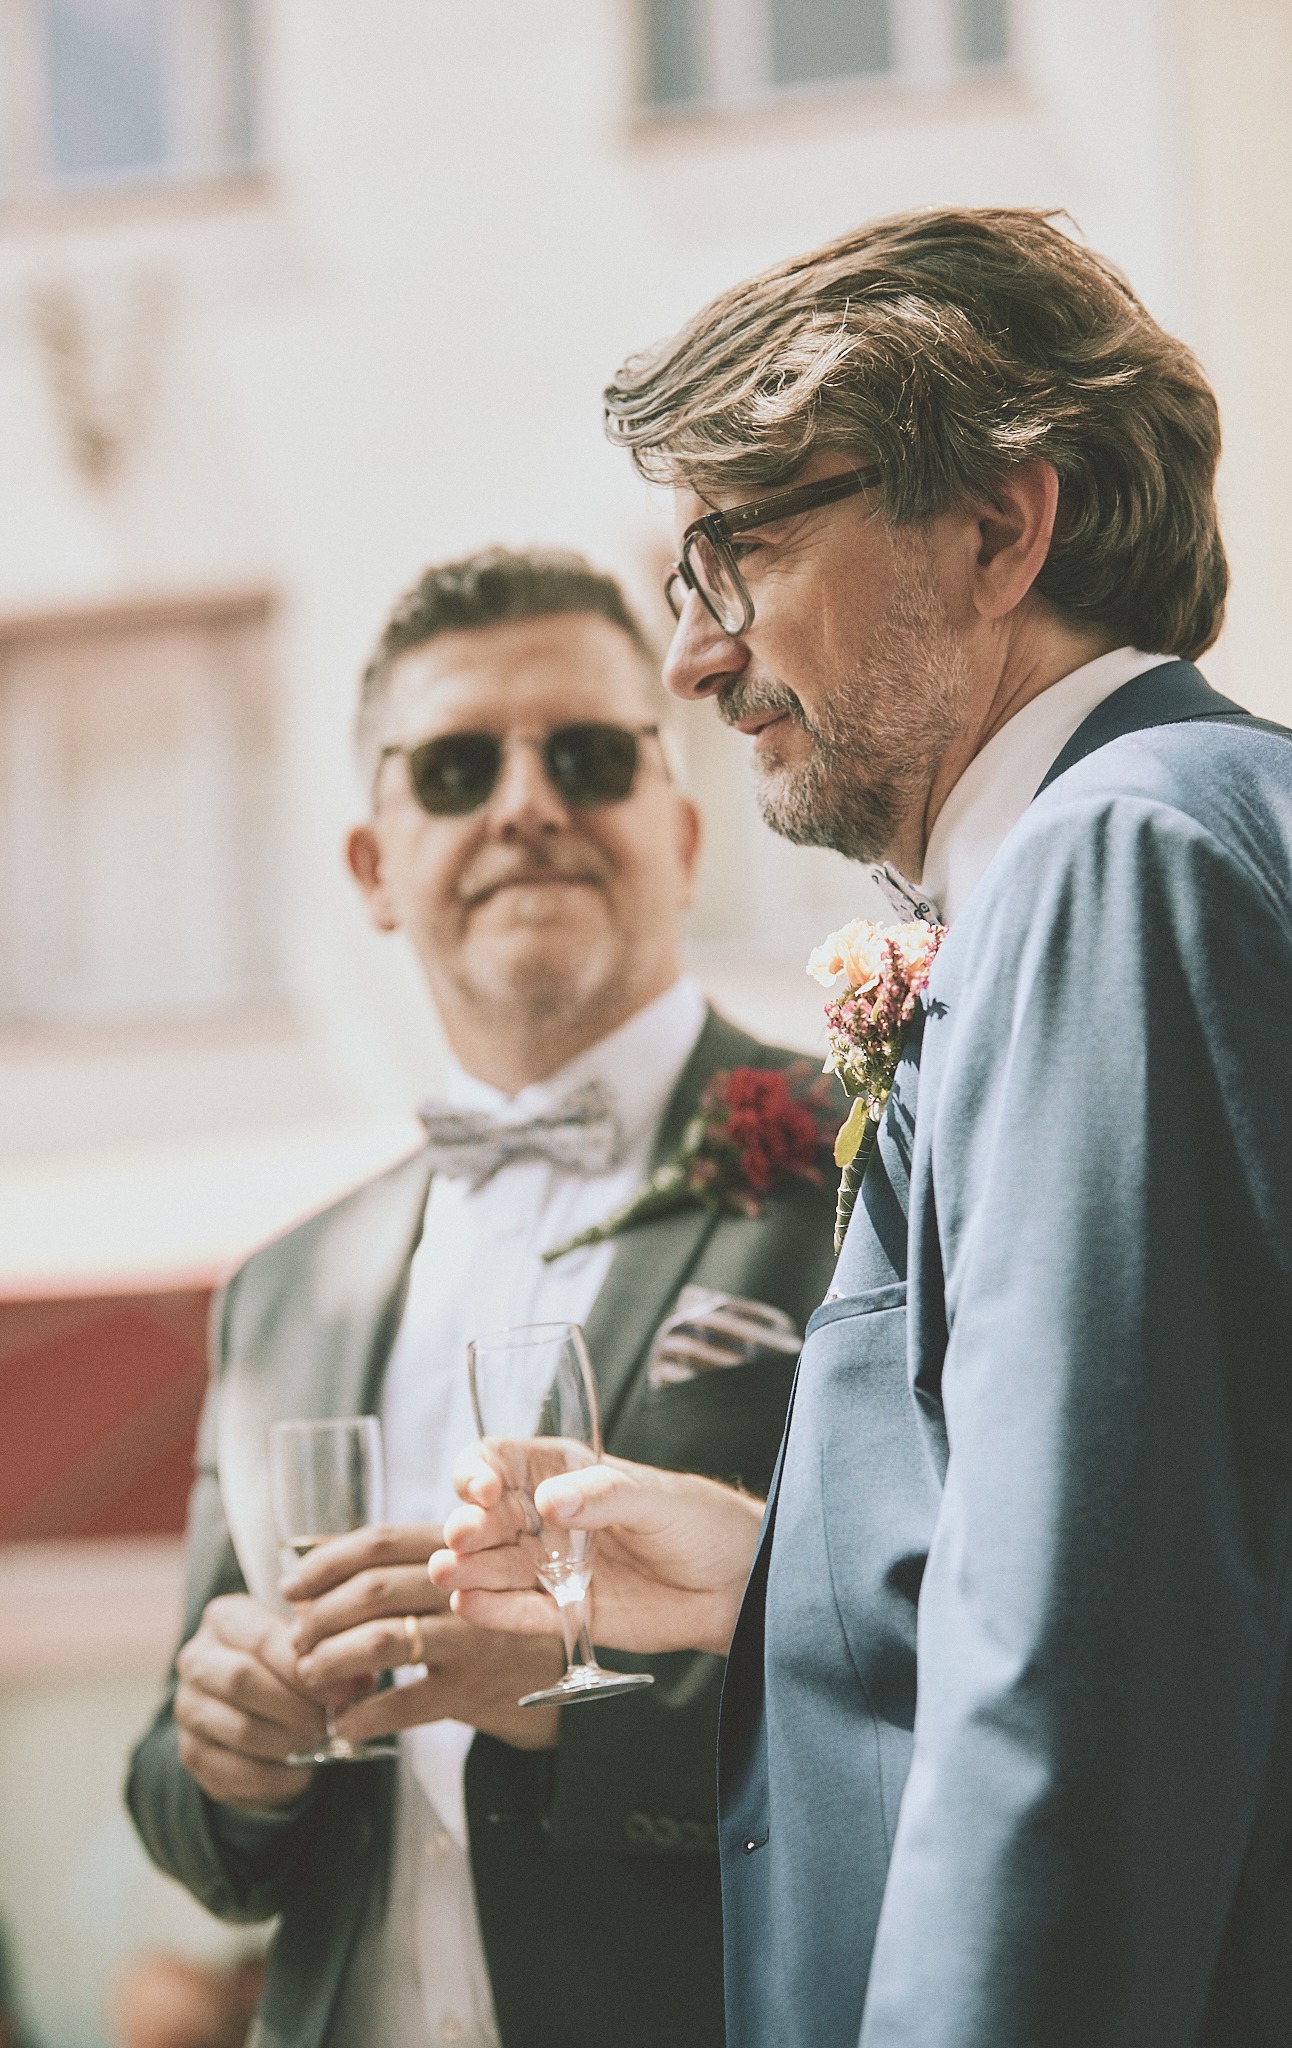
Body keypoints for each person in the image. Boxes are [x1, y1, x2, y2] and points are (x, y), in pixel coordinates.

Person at [433, 212, 1292, 2048]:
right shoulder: (1178, 832)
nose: (693, 656)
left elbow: (1089, 1662)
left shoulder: (1111, 858)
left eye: (736, 549)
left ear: (997, 527)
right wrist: (776, 1581)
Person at [126, 548, 842, 2048]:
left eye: (586, 755)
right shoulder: (280, 1293)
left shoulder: (864, 1159)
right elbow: (187, 1819)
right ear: (373, 869)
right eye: (456, 769)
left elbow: (957, 1649)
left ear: (683, 831)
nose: (525, 804)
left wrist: (577, 1707)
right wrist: (225, 1760)